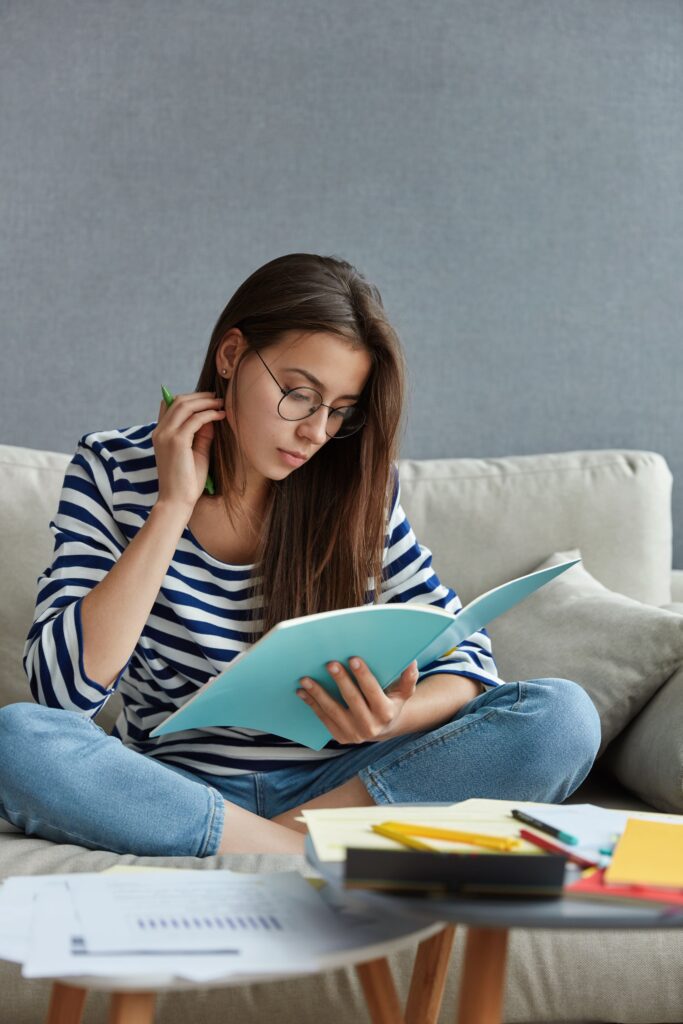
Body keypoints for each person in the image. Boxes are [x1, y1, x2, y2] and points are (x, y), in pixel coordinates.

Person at [0, 253, 600, 858]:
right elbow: (61, 694)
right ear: (231, 355)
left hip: (343, 783)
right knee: (17, 740)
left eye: (339, 410)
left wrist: (391, 719)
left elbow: (466, 656)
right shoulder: (110, 469)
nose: (315, 432)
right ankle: (299, 852)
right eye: (298, 394)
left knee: (561, 718)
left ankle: (270, 844)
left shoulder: (355, 485)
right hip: (181, 787)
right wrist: (173, 504)